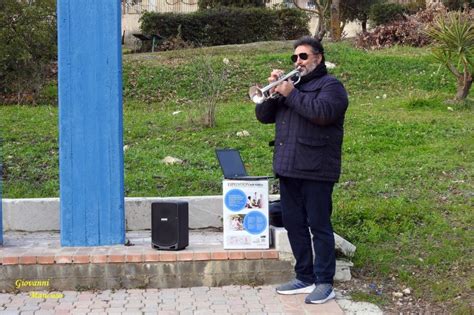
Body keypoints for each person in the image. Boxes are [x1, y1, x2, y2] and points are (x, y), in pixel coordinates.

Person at [254, 36, 349, 304]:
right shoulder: (289, 87)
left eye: (303, 57)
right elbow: (263, 117)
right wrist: (273, 93)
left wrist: (291, 94)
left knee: (319, 226)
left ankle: (324, 281)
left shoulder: (331, 86)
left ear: (318, 57)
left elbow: (323, 114)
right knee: (295, 225)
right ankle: (304, 276)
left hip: (317, 169)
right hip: (288, 168)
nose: (298, 62)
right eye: (294, 58)